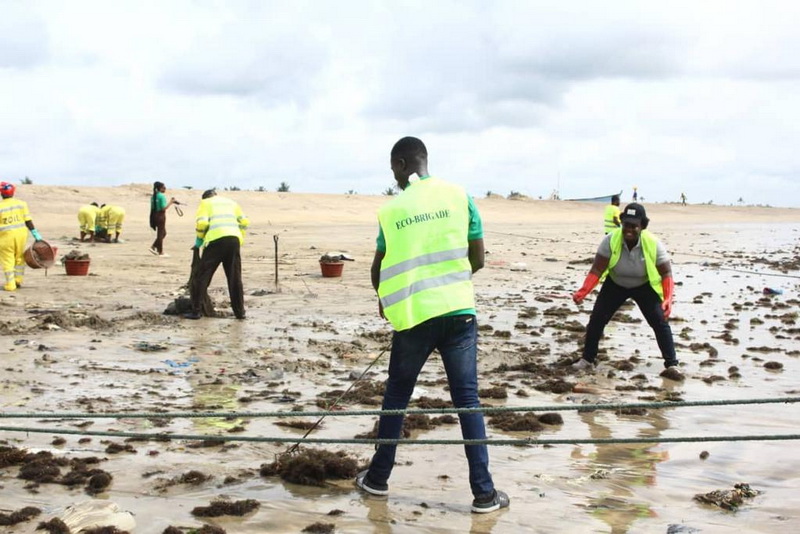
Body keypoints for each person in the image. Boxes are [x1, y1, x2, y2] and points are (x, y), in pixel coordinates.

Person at [354, 136, 509, 514]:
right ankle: (484, 495)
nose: (393, 176)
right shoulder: (460, 196)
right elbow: (479, 258)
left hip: (413, 318)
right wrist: (451, 283)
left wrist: (388, 301)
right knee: (468, 402)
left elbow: (378, 269)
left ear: (405, 164)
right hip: (459, 313)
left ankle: (377, 480)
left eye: (394, 168)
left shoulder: (391, 211)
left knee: (396, 398)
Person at [571, 203, 679, 375]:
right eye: (626, 225)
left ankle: (672, 364)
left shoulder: (653, 243)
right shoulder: (610, 240)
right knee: (597, 320)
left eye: (634, 226)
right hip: (615, 283)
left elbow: (666, 273)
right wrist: (584, 291)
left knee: (660, 322)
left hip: (643, 286)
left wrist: (668, 299)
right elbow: (597, 269)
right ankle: (587, 360)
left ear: (642, 226)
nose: (629, 229)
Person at [184, 189, 249, 320]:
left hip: (216, 240)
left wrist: (199, 240)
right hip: (234, 240)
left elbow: (202, 223)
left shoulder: (205, 203)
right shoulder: (231, 203)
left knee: (202, 275)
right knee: (234, 277)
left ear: (205, 198)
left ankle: (196, 311)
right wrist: (240, 238)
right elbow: (244, 222)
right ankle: (240, 312)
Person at [0, 182, 44, 291]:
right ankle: (18, 280)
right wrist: (35, 234)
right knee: (20, 258)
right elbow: (28, 221)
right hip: (21, 235)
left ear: (1, 193)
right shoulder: (21, 204)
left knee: (8, 260)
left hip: (5, 237)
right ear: (13, 192)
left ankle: (10, 284)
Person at [149, 181, 178, 256]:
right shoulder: (161, 196)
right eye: (163, 187)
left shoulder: (153, 196)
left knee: (163, 233)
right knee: (161, 233)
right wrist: (171, 202)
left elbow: (152, 208)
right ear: (160, 188)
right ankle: (160, 251)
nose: (165, 188)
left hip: (154, 215)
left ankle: (154, 246)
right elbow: (163, 208)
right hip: (160, 216)